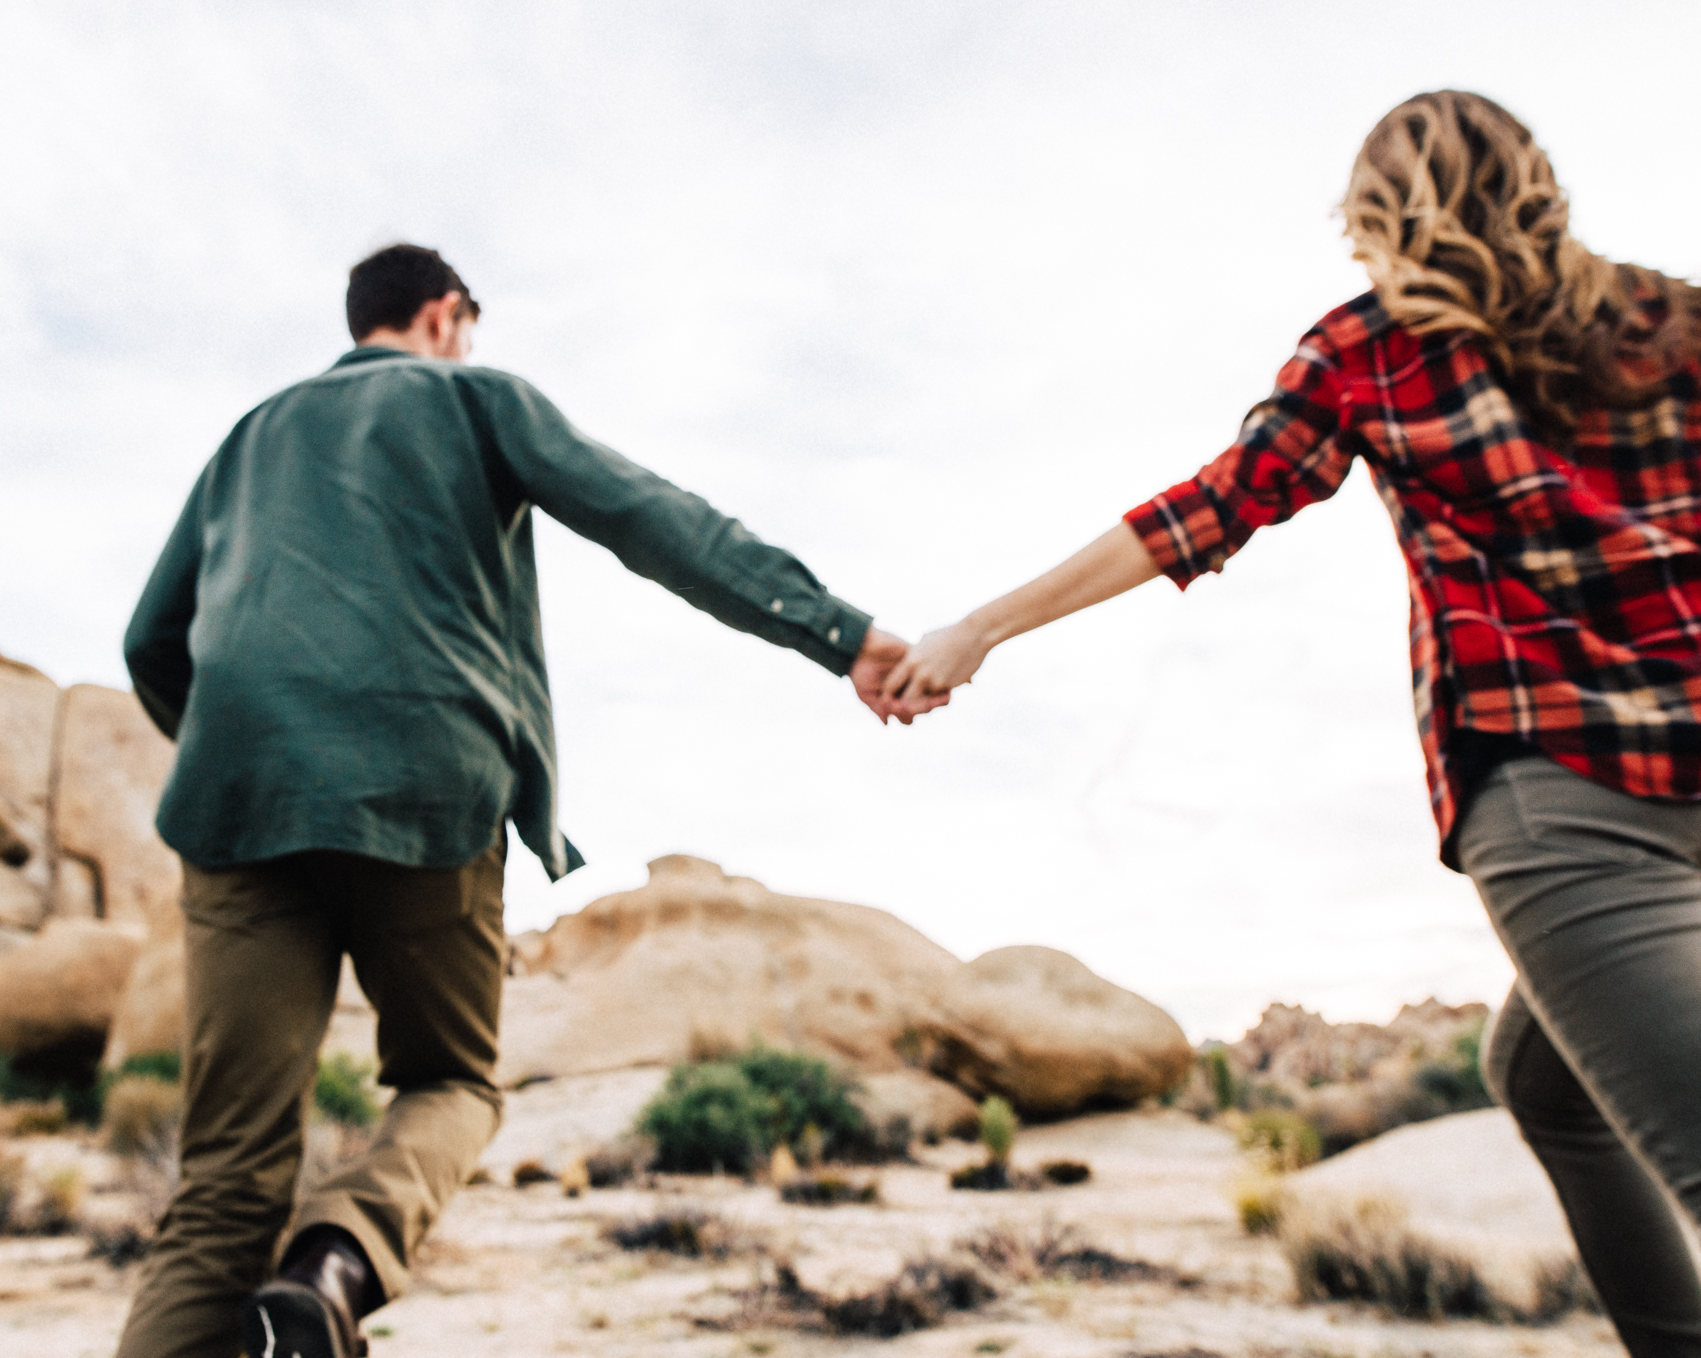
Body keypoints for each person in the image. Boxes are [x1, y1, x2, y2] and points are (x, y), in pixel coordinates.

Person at [886, 91, 1701, 1356]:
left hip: (1562, 801)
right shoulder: (1665, 314)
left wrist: (975, 628)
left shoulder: (1371, 346)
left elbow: (1203, 511)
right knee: (1538, 1082)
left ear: (1378, 222)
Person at [114, 243, 935, 1358]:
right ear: (445, 315)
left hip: (236, 801)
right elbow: (650, 518)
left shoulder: (251, 436)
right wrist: (836, 631)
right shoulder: (473, 396)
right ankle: (334, 1265)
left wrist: (247, 752)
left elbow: (149, 640)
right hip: (425, 782)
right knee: (451, 1078)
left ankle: (278, 1299)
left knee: (223, 1180)